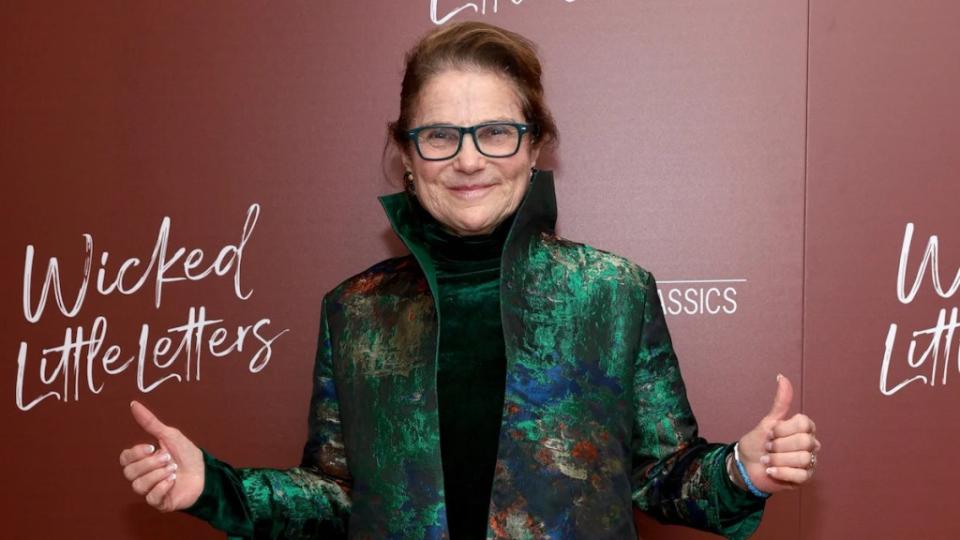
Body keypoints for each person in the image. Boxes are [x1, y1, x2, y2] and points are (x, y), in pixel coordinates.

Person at [119, 21, 821, 540]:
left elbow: (661, 477)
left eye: (495, 132)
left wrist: (743, 470)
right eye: (440, 135)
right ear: (408, 155)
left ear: (534, 143)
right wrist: (215, 487)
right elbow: (337, 497)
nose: (468, 159)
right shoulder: (355, 311)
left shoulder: (612, 292)